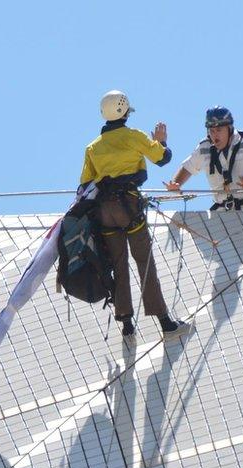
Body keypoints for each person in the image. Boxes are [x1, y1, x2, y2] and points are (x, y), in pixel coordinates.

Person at [79, 90, 188, 338]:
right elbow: (163, 158)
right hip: (129, 208)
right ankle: (165, 323)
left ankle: (127, 326)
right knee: (144, 261)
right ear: (125, 111)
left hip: (105, 213)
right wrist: (161, 140)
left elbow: (85, 185)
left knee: (118, 265)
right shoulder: (133, 136)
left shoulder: (93, 148)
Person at [165, 106, 243, 211]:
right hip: (222, 210)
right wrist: (176, 184)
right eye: (211, 131)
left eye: (219, 130)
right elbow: (187, 168)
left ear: (230, 129)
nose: (215, 135)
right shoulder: (204, 147)